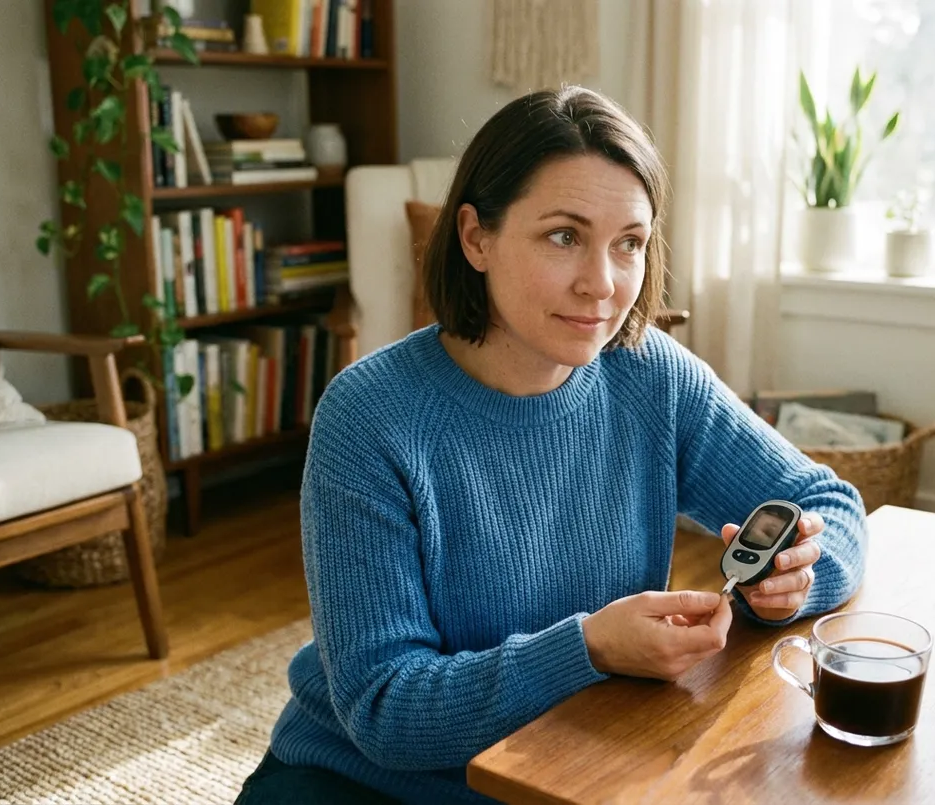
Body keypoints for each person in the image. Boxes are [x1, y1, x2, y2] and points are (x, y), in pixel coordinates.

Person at [235, 85, 868, 805]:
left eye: (628, 243)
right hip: (359, 781)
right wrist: (589, 647)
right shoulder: (368, 416)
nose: (602, 284)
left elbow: (829, 502)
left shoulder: (652, 376)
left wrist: (789, 585)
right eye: (564, 236)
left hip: (561, 764)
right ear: (475, 238)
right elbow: (385, 708)